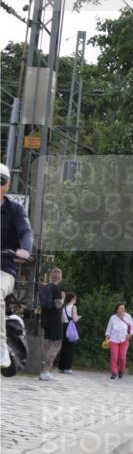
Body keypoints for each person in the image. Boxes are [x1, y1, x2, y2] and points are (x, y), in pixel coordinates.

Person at [0, 162, 33, 369]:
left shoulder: (15, 210)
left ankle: (1, 344)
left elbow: (26, 233)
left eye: (1, 181)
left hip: (3, 269)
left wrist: (25, 250)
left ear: (8, 184)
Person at [39, 267, 64, 381]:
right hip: (55, 320)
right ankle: (46, 371)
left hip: (46, 319)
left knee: (47, 344)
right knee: (56, 345)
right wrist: (63, 298)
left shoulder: (45, 287)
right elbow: (58, 305)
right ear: (59, 277)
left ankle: (42, 371)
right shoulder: (56, 288)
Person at [104, 302, 133, 380]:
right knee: (114, 356)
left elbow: (132, 327)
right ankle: (114, 372)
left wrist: (130, 335)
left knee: (122, 357)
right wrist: (107, 338)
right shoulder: (113, 318)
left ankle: (121, 370)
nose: (122, 310)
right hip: (113, 340)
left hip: (124, 340)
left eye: (123, 308)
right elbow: (109, 329)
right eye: (121, 308)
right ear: (117, 310)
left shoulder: (128, 316)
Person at [58, 292, 80, 374]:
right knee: (70, 348)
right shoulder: (74, 307)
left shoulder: (64, 307)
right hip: (70, 328)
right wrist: (78, 317)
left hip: (64, 327)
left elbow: (62, 319)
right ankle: (67, 367)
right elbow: (74, 319)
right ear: (72, 299)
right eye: (75, 298)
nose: (75, 300)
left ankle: (61, 367)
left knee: (63, 348)